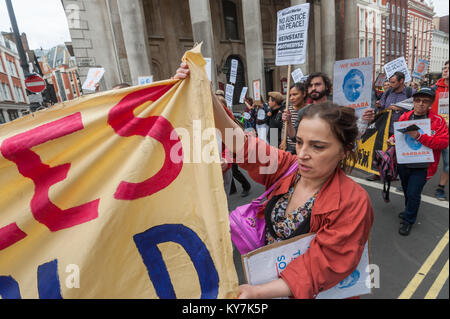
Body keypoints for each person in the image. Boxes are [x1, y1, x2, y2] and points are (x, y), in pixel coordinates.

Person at [174, 63, 374, 299]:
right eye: (299, 142)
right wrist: (206, 96)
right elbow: (241, 143)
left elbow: (321, 265)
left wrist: (259, 293)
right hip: (271, 285)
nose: (302, 154)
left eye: (317, 146)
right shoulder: (289, 167)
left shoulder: (354, 202)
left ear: (344, 151)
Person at [387, 88, 449, 236]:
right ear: (413, 102)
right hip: (404, 162)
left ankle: (408, 220)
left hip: (423, 166)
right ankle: (409, 209)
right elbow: (397, 137)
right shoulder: (405, 116)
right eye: (418, 100)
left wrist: (419, 137)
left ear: (431, 104)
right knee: (408, 190)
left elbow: (443, 143)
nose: (421, 104)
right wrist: (392, 140)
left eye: (425, 101)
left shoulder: (438, 121)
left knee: (414, 193)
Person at [367, 71, 415, 181]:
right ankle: (378, 173)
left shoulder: (410, 92)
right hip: (386, 127)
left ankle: (395, 174)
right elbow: (383, 106)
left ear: (401, 81)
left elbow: (417, 108)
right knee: (381, 150)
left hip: (402, 128)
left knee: (399, 153)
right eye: (390, 82)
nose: (390, 84)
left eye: (393, 82)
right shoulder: (388, 92)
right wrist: (379, 104)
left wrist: (400, 109)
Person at [431, 61, 449, 201]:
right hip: (433, 131)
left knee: (448, 163)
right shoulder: (434, 89)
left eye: (449, 68)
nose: (446, 70)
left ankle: (441, 188)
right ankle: (415, 183)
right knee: (424, 158)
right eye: (445, 68)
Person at [281, 82, 308, 154]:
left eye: (295, 94)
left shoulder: (310, 110)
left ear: (304, 94)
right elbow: (284, 128)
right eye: (290, 95)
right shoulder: (287, 110)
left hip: (305, 148)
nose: (291, 98)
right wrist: (283, 140)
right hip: (290, 148)